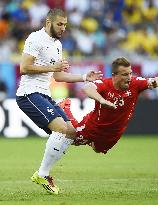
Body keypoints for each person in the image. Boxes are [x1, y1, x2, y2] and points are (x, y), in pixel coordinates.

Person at [15, 8, 102, 195]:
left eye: (65, 25)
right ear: (48, 22)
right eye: (59, 24)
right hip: (28, 94)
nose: (63, 28)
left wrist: (84, 77)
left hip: (44, 94)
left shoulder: (57, 45)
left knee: (71, 132)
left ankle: (43, 173)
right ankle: (42, 174)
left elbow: (58, 75)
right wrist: (52, 66)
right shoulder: (35, 38)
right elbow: (24, 67)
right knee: (61, 128)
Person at [59, 57, 158, 154]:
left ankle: (91, 141)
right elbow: (87, 88)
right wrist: (102, 100)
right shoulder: (105, 84)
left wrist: (154, 82)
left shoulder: (135, 83)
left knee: (98, 149)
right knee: (72, 139)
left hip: (114, 133)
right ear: (114, 75)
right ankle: (65, 107)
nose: (129, 77)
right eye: (125, 74)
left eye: (130, 73)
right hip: (94, 127)